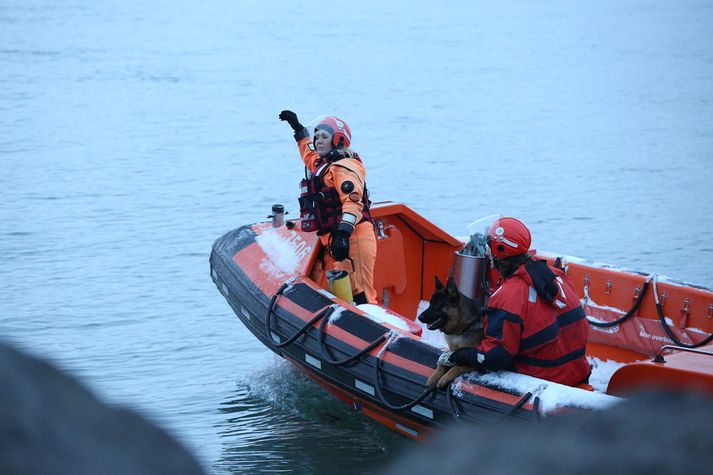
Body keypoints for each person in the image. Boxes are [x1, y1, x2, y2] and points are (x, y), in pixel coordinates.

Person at [449, 217, 591, 386]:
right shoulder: (557, 276)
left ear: (500, 251)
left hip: (546, 380)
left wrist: (465, 355)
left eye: (488, 247)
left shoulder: (506, 297)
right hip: (577, 372)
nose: (486, 252)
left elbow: (496, 357)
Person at [279, 110, 377, 305]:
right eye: (316, 137)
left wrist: (343, 233)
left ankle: (375, 326)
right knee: (343, 294)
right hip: (335, 238)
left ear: (338, 140)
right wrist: (299, 132)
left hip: (353, 236)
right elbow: (309, 154)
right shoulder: (322, 164)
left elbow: (353, 202)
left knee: (361, 294)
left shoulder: (345, 166)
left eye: (324, 136)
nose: (318, 141)